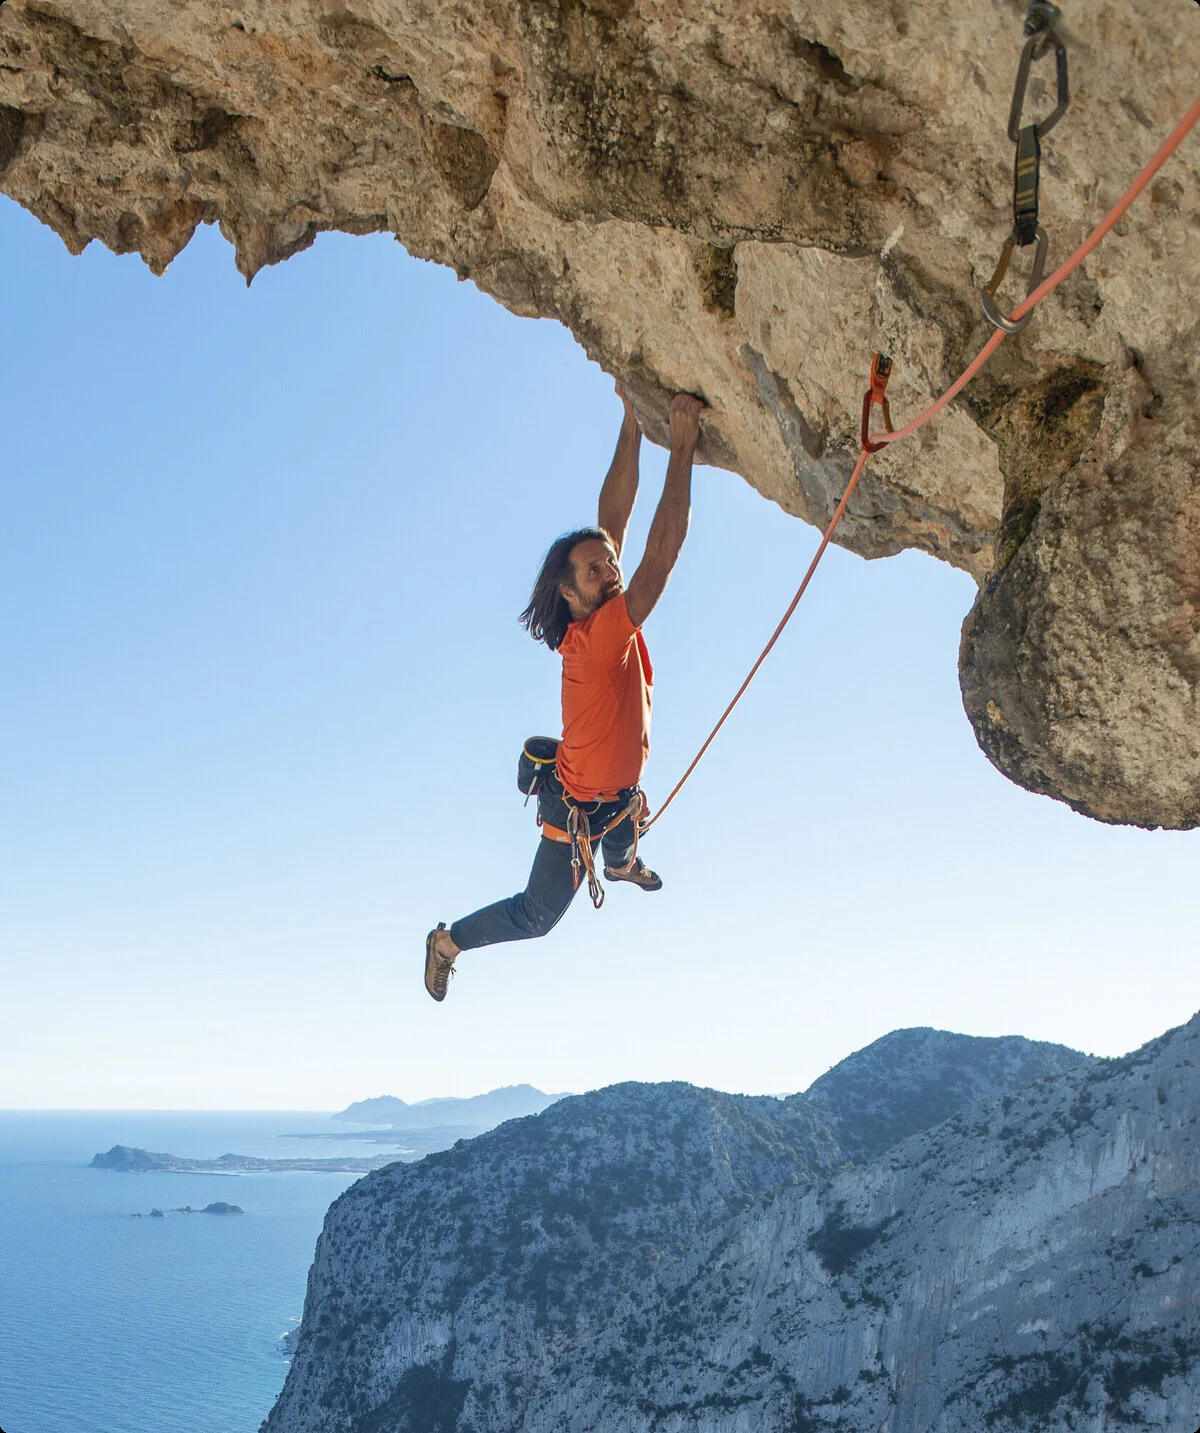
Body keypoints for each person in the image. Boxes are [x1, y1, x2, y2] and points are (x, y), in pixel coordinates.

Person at [424, 386, 704, 1002]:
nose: (611, 570)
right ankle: (446, 943)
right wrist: (682, 447)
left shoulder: (599, 612)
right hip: (577, 808)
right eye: (595, 570)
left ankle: (620, 863)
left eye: (609, 563)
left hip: (616, 793)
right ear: (571, 596)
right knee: (537, 916)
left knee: (622, 831)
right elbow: (659, 558)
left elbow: (612, 522)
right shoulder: (601, 637)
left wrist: (632, 422)